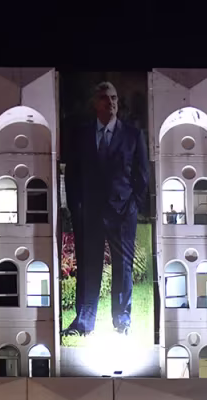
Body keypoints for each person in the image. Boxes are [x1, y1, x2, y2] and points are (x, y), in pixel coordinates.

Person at [64, 80, 149, 338]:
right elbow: (72, 174)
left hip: (123, 213)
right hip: (89, 213)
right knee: (89, 268)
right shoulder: (82, 134)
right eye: (105, 98)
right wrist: (76, 207)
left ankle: (122, 321)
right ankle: (84, 322)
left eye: (113, 98)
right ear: (95, 103)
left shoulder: (133, 135)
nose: (111, 102)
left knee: (123, 268)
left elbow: (142, 175)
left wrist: (133, 204)